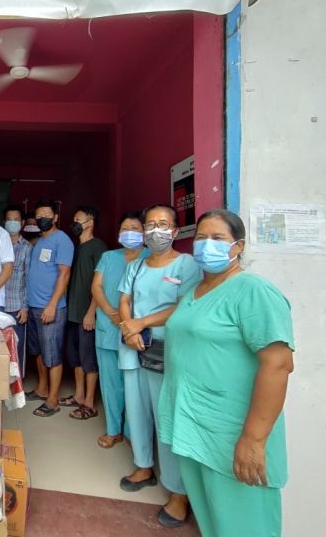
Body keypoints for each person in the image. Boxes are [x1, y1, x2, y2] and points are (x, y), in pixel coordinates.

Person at [158, 209, 294, 536]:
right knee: (213, 522)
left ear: (238, 246)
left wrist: (253, 439)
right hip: (194, 429)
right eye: (201, 238)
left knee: (244, 525)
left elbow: (278, 364)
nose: (206, 245)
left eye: (217, 238)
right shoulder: (195, 292)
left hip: (232, 433)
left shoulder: (253, 291)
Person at [118, 204, 201, 527]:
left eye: (163, 224)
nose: (155, 230)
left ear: (175, 231)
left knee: (166, 419)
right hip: (133, 346)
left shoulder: (186, 264)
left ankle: (178, 492)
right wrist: (129, 327)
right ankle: (143, 465)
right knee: (136, 410)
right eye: (150, 225)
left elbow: (184, 304)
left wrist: (140, 323)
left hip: (165, 350)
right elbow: (124, 298)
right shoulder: (137, 265)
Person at [90, 211, 148, 448]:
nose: (130, 232)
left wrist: (128, 321)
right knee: (111, 383)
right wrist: (111, 312)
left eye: (135, 228)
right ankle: (114, 430)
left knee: (135, 386)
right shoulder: (108, 256)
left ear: (145, 233)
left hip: (136, 329)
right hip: (107, 325)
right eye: (125, 228)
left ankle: (133, 432)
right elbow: (96, 286)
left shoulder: (151, 257)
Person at [25, 199, 74, 418]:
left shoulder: (62, 240)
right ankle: (42, 388)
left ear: (55, 217)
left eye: (47, 215)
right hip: (33, 306)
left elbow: (64, 274)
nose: (43, 218)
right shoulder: (38, 242)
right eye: (39, 215)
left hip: (50, 308)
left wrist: (52, 304)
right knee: (37, 351)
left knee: (52, 355)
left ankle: (53, 400)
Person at [61, 206, 107, 420]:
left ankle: (90, 402)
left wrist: (91, 313)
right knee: (75, 357)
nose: (75, 223)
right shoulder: (75, 248)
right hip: (71, 312)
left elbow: (102, 284)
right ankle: (79, 396)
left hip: (86, 314)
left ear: (90, 222)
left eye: (78, 219)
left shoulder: (98, 247)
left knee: (89, 360)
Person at [2, 204, 32, 377]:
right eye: (9, 220)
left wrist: (25, 306)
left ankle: (16, 383)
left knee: (16, 347)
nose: (12, 223)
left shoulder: (27, 248)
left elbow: (28, 279)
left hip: (16, 306)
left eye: (16, 220)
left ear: (22, 223)